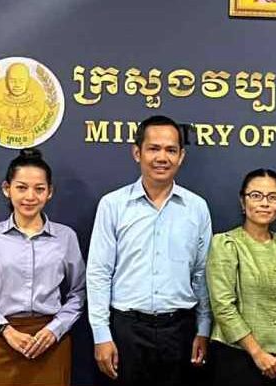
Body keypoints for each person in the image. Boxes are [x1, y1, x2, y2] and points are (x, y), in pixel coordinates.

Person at [87, 115, 212, 386]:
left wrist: (203, 329)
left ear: (181, 156)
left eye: (171, 150)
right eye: (154, 148)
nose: (162, 157)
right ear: (137, 152)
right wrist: (101, 334)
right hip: (126, 332)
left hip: (180, 332)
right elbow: (99, 273)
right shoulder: (113, 205)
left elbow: (202, 274)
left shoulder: (197, 208)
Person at [0, 148, 86, 386]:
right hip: (3, 341)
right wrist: (6, 331)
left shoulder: (65, 237)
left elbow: (79, 293)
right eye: (21, 187)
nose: (30, 196)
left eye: (39, 189)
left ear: (49, 192)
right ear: (6, 189)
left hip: (51, 342)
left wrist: (55, 329)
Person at [207, 168, 276, 386]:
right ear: (243, 203)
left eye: (273, 197)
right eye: (256, 196)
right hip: (237, 357)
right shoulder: (225, 243)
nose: (264, 203)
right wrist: (258, 354)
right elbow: (223, 306)